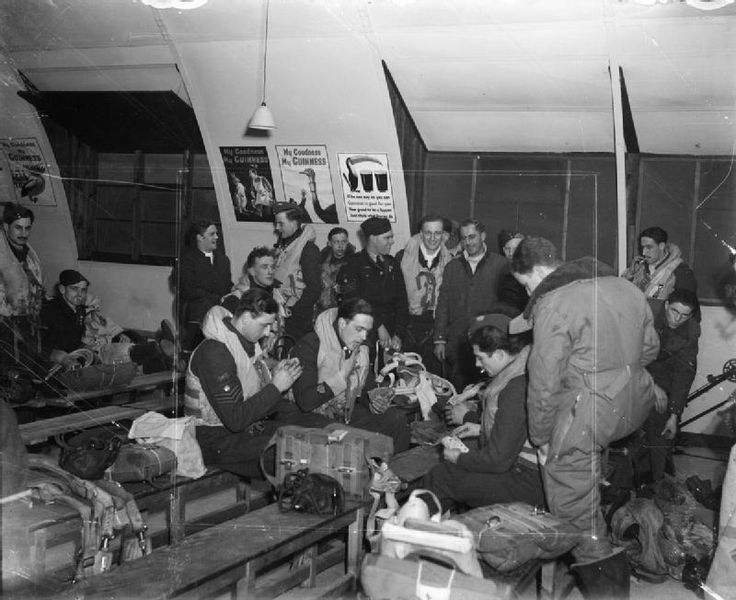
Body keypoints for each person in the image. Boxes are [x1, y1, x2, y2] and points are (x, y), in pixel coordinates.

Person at [509, 236, 662, 599]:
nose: (529, 292)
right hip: (632, 405)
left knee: (574, 511)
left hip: (589, 412)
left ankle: (608, 591)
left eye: (526, 284)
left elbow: (544, 381)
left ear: (536, 271)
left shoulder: (555, 302)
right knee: (592, 483)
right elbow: (651, 348)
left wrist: (542, 438)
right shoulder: (626, 287)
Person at [422, 312, 544, 511]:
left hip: (527, 481)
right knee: (461, 459)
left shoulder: (515, 388)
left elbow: (497, 461)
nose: (478, 365)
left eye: (480, 358)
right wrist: (480, 429)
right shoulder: (522, 373)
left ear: (500, 354)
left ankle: (423, 535)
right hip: (526, 470)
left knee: (441, 476)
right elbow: (518, 433)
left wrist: (457, 457)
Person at [185, 288, 303, 479]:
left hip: (242, 431)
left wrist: (275, 375)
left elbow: (251, 395)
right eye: (264, 325)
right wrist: (276, 387)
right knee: (293, 455)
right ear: (246, 318)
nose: (267, 332)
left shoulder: (242, 343)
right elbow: (235, 419)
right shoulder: (214, 353)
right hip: (212, 440)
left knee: (304, 437)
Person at [282, 298, 410, 453]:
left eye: (367, 331)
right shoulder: (311, 345)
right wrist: (342, 376)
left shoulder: (359, 348)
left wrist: (374, 402)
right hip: (309, 418)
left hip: (343, 413)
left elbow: (365, 391)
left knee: (396, 419)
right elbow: (305, 401)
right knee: (349, 436)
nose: (364, 337)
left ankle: (389, 473)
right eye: (359, 329)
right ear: (342, 324)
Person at [40, 270, 177, 374]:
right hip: (65, 365)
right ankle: (161, 349)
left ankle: (166, 357)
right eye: (74, 289)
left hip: (82, 356)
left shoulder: (79, 310)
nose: (79, 294)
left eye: (83, 290)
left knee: (126, 356)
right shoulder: (49, 311)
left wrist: (89, 347)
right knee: (115, 353)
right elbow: (43, 347)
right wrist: (66, 358)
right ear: (62, 289)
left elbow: (77, 340)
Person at [433, 220, 508, 388]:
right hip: (458, 345)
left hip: (488, 345)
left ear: (483, 236)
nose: (468, 242)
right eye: (464, 238)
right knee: (457, 393)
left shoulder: (501, 265)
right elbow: (443, 303)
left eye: (472, 237)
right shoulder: (452, 267)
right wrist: (439, 339)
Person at [641, 289, 700, 483]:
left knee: (660, 419)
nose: (677, 319)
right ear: (666, 305)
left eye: (684, 315)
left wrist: (674, 414)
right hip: (637, 368)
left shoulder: (691, 330)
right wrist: (652, 385)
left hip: (665, 373)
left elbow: (684, 374)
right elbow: (628, 354)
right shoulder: (645, 312)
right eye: (674, 311)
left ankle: (655, 482)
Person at [337, 217, 408, 364]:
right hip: (364, 335)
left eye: (392, 237)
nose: (391, 241)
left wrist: (399, 334)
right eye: (387, 238)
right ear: (372, 238)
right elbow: (353, 302)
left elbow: (402, 301)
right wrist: (379, 326)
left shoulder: (392, 264)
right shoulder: (352, 264)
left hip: (391, 337)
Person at [398, 215, 452, 374]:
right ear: (421, 233)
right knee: (405, 377)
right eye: (428, 233)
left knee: (432, 379)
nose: (433, 238)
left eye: (437, 233)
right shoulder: (402, 258)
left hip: (434, 325)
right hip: (407, 324)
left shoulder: (451, 263)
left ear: (443, 235)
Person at [222, 247, 288, 354]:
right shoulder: (236, 300)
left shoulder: (277, 296)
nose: (270, 271)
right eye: (264, 267)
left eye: (272, 267)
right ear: (252, 271)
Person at [178, 220, 233, 350]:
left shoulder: (223, 260)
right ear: (200, 237)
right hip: (196, 309)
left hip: (219, 307)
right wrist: (217, 299)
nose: (217, 237)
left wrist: (234, 291)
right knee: (203, 306)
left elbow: (227, 285)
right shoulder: (187, 260)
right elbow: (189, 290)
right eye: (212, 234)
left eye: (217, 234)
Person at [272, 204, 321, 341]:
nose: (277, 228)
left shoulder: (309, 250)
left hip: (296, 319)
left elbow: (314, 289)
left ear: (294, 223)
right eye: (276, 224)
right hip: (281, 311)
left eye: (281, 224)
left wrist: (294, 313)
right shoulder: (286, 245)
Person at [0, 203, 44, 354]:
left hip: (29, 323)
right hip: (5, 326)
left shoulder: (31, 255)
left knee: (30, 364)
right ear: (6, 227)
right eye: (18, 227)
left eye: (27, 228)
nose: (24, 233)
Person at [622, 226, 698, 301]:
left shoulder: (680, 272)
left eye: (649, 247)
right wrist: (630, 274)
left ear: (661, 246)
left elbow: (686, 306)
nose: (644, 252)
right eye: (642, 247)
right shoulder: (638, 267)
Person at [317, 227, 354, 312]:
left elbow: (357, 286)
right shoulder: (319, 261)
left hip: (344, 308)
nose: (340, 246)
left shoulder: (355, 262)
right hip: (321, 308)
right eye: (336, 242)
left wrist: (338, 287)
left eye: (343, 242)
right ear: (329, 243)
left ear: (347, 242)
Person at [497, 230, 528, 312]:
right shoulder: (498, 269)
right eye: (507, 249)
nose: (511, 253)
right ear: (503, 250)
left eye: (515, 249)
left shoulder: (530, 271)